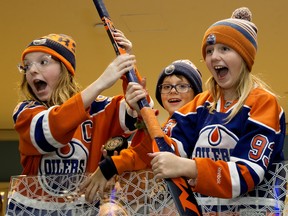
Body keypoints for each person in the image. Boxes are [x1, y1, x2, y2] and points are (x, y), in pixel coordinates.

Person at [146, 7, 286, 214]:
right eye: (209, 51)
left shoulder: (264, 104)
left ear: (244, 56)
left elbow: (245, 175)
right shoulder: (199, 105)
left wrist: (187, 167)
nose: (214, 57)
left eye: (224, 49)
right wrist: (142, 112)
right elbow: (166, 151)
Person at [7, 30, 142, 215]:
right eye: (26, 66)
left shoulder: (98, 107)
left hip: (82, 208)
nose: (32, 70)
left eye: (43, 62)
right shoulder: (25, 111)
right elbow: (48, 132)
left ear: (65, 68)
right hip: (32, 209)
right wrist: (101, 82)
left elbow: (138, 114)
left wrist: (127, 64)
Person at [80, 59, 203, 205]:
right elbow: (142, 156)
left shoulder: (203, 123)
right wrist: (117, 171)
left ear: (197, 94)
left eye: (182, 86)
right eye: (167, 86)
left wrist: (112, 165)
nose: (173, 91)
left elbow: (164, 150)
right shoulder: (166, 128)